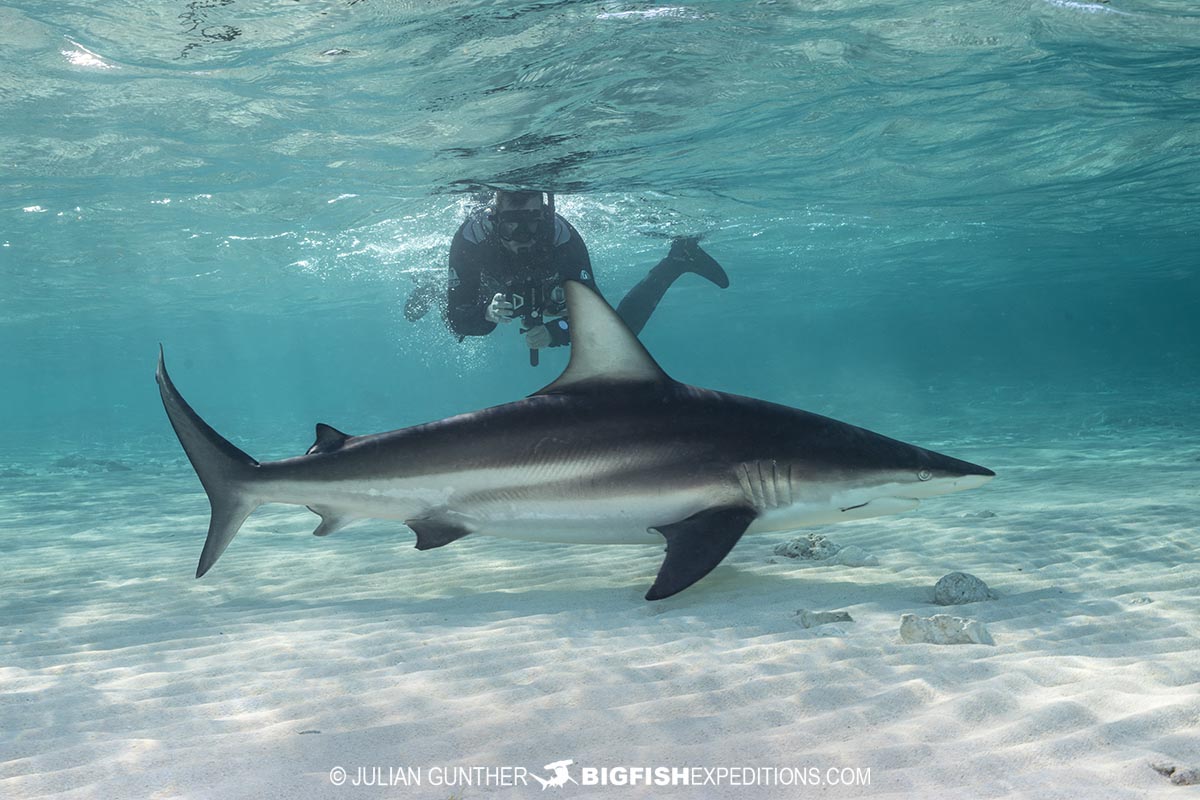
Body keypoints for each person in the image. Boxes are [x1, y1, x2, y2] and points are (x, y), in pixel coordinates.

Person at [421, 190, 728, 355]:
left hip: (549, 292)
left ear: (544, 216)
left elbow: (598, 314)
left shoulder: (562, 236)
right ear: (493, 218)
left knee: (619, 331)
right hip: (491, 296)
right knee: (462, 329)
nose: (523, 237)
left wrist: (557, 332)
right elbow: (460, 319)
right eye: (512, 225)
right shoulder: (472, 238)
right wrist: (486, 313)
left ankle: (678, 258)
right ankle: (433, 287)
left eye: (532, 223)